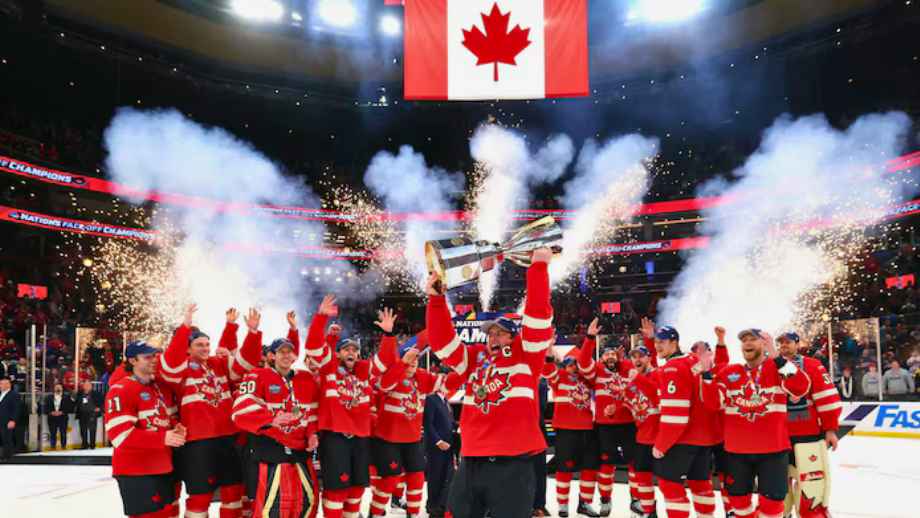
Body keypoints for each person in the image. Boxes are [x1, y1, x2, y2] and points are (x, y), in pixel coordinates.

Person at [426, 246, 555, 518]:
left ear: (513, 338)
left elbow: (538, 316)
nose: (493, 338)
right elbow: (442, 343)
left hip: (513, 464)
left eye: (500, 333)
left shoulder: (527, 356)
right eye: (490, 333)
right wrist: (436, 299)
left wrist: (538, 268)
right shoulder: (474, 358)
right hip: (471, 460)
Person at [159, 305, 263, 518]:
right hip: (198, 442)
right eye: (199, 345)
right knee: (200, 496)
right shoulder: (181, 368)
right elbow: (170, 364)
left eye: (207, 344)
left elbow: (245, 364)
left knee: (233, 492)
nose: (205, 348)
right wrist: (185, 327)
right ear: (187, 348)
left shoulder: (217, 364)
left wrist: (252, 333)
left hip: (227, 438)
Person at [698, 329, 811, 518]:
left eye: (753, 339)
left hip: (773, 450)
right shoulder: (730, 372)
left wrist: (778, 358)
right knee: (738, 503)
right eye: (744, 340)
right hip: (737, 451)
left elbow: (801, 387)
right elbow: (713, 403)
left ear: (764, 344)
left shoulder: (778, 367)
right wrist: (707, 374)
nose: (748, 343)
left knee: (772, 505)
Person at [304, 296, 397, 518]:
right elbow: (314, 347)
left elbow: (385, 361)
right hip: (335, 438)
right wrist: (321, 317)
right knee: (336, 491)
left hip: (360, 438)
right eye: (346, 350)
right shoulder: (329, 369)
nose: (351, 353)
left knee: (357, 490)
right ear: (337, 354)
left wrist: (388, 335)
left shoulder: (364, 372)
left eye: (355, 350)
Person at [231, 330, 320, 518]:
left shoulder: (306, 379)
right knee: (271, 507)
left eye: (290, 352)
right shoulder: (257, 375)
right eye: (281, 352)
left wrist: (312, 434)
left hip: (300, 453)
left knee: (304, 503)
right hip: (270, 452)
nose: (286, 355)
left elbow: (311, 413)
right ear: (272, 356)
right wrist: (270, 419)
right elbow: (240, 409)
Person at [105, 341, 187, 518]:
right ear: (132, 361)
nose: (154, 360)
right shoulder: (121, 389)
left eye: (155, 356)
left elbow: (161, 419)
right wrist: (163, 438)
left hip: (162, 466)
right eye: (147, 357)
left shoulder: (157, 387)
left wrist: (175, 426)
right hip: (136, 470)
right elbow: (119, 436)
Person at [370, 337, 450, 518]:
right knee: (390, 480)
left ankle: (413, 514)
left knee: (417, 477)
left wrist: (464, 368)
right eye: (410, 358)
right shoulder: (391, 375)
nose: (414, 361)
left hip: (412, 440)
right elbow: (384, 385)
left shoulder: (421, 377)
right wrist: (402, 364)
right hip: (388, 439)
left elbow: (447, 383)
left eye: (416, 359)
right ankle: (375, 513)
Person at [649, 325, 722, 518]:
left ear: (674, 342)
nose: (657, 346)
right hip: (703, 441)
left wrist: (662, 444)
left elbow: (675, 414)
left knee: (670, 485)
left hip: (681, 440)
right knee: (701, 485)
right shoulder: (693, 362)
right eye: (656, 342)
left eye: (662, 342)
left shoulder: (672, 367)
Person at [776, 332, 842, 518]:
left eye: (788, 342)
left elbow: (827, 398)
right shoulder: (769, 367)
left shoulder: (812, 365)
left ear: (797, 344)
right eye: (780, 342)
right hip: (778, 436)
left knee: (811, 484)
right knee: (777, 486)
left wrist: (830, 429)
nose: (784, 345)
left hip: (808, 435)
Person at [577, 318, 635, 517]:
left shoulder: (627, 369)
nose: (610, 357)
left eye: (613, 354)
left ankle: (637, 499)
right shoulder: (597, 372)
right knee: (606, 465)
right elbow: (583, 363)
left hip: (628, 424)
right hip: (605, 426)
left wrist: (624, 360)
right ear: (601, 358)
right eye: (606, 354)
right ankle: (605, 499)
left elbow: (643, 369)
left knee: (634, 464)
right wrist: (589, 338)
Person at [544, 327, 601, 518]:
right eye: (570, 365)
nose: (574, 368)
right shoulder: (559, 377)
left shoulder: (588, 380)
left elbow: (587, 362)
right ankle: (563, 505)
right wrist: (549, 347)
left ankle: (585, 503)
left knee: (589, 469)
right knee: (564, 469)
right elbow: (547, 368)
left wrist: (589, 341)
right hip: (566, 430)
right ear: (564, 367)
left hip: (588, 429)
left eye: (576, 365)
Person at [619, 346, 659, 518]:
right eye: (634, 357)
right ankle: (649, 511)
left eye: (641, 356)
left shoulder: (658, 374)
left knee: (669, 482)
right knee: (642, 477)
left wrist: (638, 379)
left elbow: (657, 394)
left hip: (662, 438)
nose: (637, 360)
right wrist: (615, 407)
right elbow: (628, 402)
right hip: (642, 437)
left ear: (649, 358)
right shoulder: (632, 382)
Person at [425, 383, 456, 518]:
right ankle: (432, 507)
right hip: (436, 447)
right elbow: (428, 423)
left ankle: (439, 506)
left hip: (448, 446)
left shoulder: (445, 401)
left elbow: (450, 422)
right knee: (435, 477)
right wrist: (438, 441)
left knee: (445, 477)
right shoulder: (431, 399)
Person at [532, 375, 551, 517]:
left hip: (535, 429)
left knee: (539, 469)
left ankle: (539, 505)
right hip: (514, 430)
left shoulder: (541, 381)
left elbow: (542, 406)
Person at [42, 383, 74, 450]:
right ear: (54, 388)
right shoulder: (48, 397)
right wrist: (51, 412)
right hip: (52, 418)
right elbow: (45, 408)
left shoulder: (67, 397)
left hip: (63, 418)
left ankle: (63, 447)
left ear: (62, 389)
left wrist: (62, 412)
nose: (58, 389)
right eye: (56, 387)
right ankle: (53, 447)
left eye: (59, 387)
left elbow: (70, 407)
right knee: (53, 434)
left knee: (63, 433)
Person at [74, 380, 103, 449]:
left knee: (92, 430)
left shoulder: (97, 393)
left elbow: (102, 403)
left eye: (88, 385)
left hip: (92, 414)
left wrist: (99, 408)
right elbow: (76, 403)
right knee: (83, 430)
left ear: (91, 386)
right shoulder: (79, 393)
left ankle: (92, 445)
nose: (86, 386)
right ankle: (84, 445)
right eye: (85, 385)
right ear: (83, 386)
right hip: (82, 414)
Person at [0, 376, 19, 461]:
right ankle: (3, 455)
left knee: (7, 439)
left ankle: (8, 457)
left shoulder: (14, 395)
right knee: (2, 439)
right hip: (1, 420)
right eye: (1, 383)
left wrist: (12, 420)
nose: (1, 385)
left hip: (7, 421)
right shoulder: (1, 394)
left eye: (4, 383)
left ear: (9, 385)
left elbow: (16, 409)